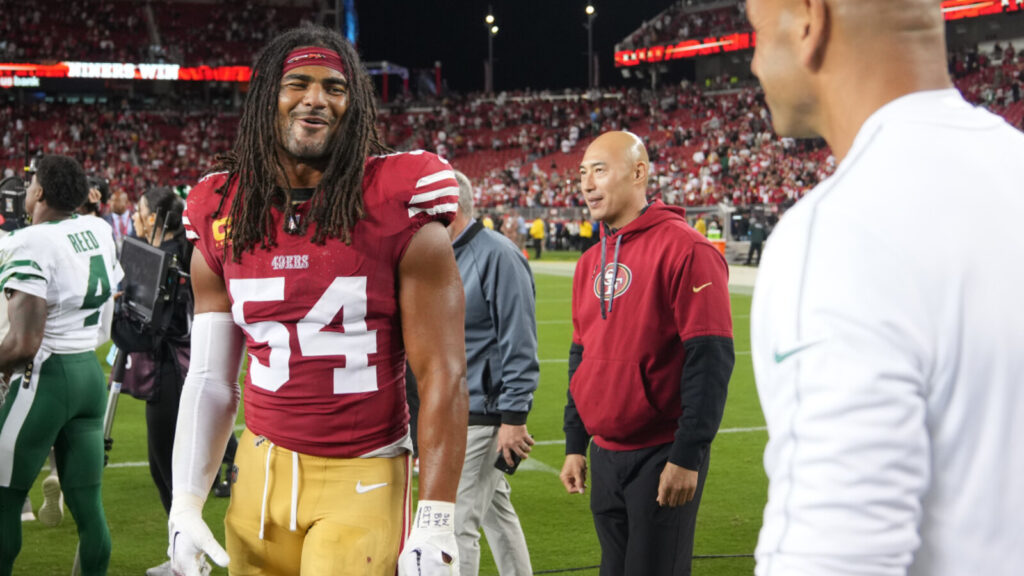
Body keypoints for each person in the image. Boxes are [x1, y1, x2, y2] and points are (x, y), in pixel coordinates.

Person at [168, 24, 468, 576]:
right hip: (259, 471)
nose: (316, 100)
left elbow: (443, 372)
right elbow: (211, 377)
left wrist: (436, 518)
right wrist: (186, 502)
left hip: (362, 475)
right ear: (265, 99)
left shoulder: (397, 199)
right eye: (297, 83)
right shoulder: (219, 207)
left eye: (335, 87)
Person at [746, 1, 1024, 575]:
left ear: (808, 21)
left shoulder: (843, 232)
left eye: (755, 31)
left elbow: (834, 558)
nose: (752, 62)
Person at [560, 131, 735, 576]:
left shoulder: (687, 249)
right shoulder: (589, 261)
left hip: (661, 454)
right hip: (605, 455)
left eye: (599, 169)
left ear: (639, 173)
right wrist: (575, 444)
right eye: (582, 173)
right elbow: (581, 355)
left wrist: (687, 456)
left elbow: (710, 359)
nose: (586, 183)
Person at [0, 154, 121, 576]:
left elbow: (22, 344)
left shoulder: (31, 242)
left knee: (4, 501)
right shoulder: (98, 228)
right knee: (90, 511)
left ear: (39, 193)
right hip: (89, 374)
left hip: (45, 379)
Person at [447, 171, 537, 576]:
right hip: (454, 408)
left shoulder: (497, 254)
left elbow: (519, 343)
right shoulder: (441, 254)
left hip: (482, 412)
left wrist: (513, 418)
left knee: (455, 524)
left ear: (448, 206)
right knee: (497, 514)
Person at [111, 186, 198, 576]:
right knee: (165, 470)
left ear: (158, 216)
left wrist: (119, 317)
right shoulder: (176, 252)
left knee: (169, 473)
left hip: (170, 373)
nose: (137, 218)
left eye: (143, 211)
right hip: (174, 370)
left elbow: (151, 332)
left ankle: (187, 561)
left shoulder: (169, 260)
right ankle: (182, 555)